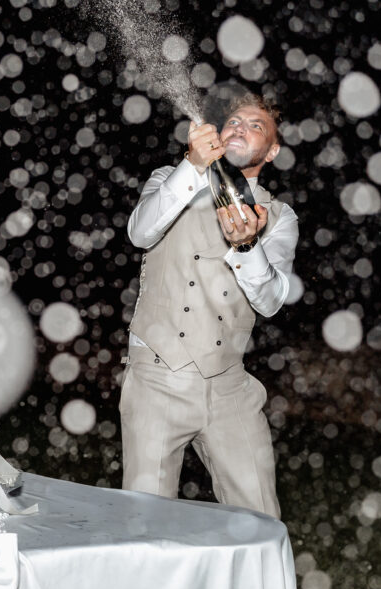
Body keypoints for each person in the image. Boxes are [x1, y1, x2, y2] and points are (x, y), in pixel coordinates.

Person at [119, 93, 298, 518]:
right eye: (234, 121)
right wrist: (193, 166)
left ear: (272, 151)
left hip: (230, 386)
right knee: (145, 523)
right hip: (158, 376)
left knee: (261, 521)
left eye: (256, 126)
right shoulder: (171, 177)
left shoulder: (280, 216)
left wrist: (248, 246)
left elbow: (272, 300)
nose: (239, 127)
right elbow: (140, 233)